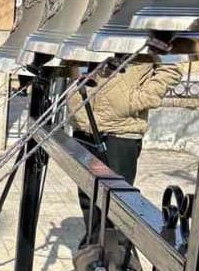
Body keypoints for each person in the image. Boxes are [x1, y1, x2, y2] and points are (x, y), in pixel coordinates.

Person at [68, 62, 183, 250]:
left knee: (116, 200)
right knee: (88, 197)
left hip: (120, 130)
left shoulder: (150, 41)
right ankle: (93, 253)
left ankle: (120, 257)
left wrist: (138, 98)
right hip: (83, 120)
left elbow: (172, 67)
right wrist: (73, 92)